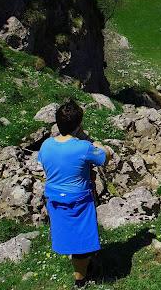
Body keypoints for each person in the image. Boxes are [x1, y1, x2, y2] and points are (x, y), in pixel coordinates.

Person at [37, 99, 113, 288]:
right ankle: (81, 280)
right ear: (79, 124)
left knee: (70, 236)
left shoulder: (46, 145)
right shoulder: (84, 147)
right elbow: (105, 157)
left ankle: (86, 261)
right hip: (78, 199)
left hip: (54, 198)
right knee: (81, 243)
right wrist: (96, 143)